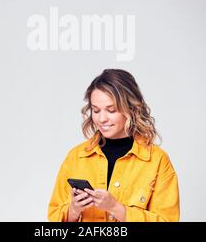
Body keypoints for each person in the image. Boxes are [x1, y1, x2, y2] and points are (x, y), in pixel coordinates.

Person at [47, 69, 180, 222]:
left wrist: (116, 208)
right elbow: (53, 219)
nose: (102, 119)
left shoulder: (157, 161)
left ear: (131, 108)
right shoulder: (76, 157)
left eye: (111, 110)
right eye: (96, 110)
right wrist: (73, 210)